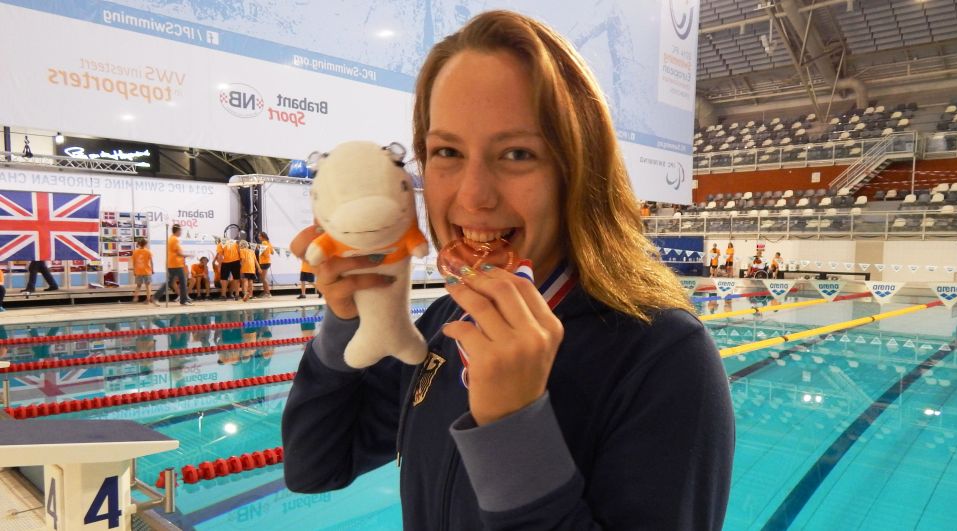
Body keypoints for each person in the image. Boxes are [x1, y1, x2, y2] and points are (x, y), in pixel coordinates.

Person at [282, 11, 733, 530]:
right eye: (447, 151)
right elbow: (315, 465)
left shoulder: (663, 356)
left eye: (517, 153)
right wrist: (348, 322)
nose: (474, 195)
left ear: (577, 169)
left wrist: (513, 427)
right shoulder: (445, 323)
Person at [154, 224, 192, 305]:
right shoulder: (174, 239)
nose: (181, 232)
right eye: (180, 231)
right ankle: (183, 300)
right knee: (182, 281)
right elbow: (178, 253)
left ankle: (155, 297)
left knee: (171, 282)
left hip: (173, 264)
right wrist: (188, 255)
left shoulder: (171, 238)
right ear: (177, 231)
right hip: (175, 264)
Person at [130, 238, 155, 304]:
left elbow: (134, 263)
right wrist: (152, 270)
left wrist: (134, 271)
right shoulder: (148, 251)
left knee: (138, 285)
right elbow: (151, 262)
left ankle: (135, 297)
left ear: (139, 244)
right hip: (147, 271)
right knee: (148, 286)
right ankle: (148, 300)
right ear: (146, 244)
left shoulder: (135, 252)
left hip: (138, 271)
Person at [258, 232, 274, 297]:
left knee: (263, 278)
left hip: (264, 262)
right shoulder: (268, 243)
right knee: (262, 278)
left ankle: (267, 293)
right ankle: (265, 292)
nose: (259, 237)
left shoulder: (264, 243)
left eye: (260, 236)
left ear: (263, 237)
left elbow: (264, 253)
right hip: (267, 262)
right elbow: (272, 252)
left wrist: (259, 249)